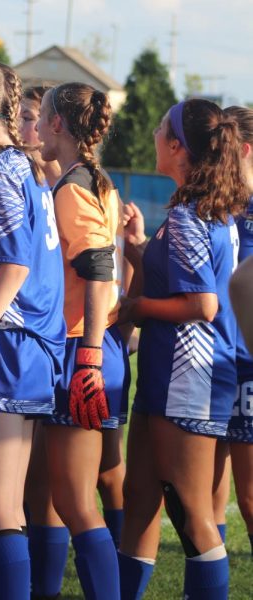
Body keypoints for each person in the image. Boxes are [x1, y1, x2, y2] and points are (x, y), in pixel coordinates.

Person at [118, 98, 246, 600]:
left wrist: (135, 310)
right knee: (140, 496)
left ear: (177, 146)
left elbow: (202, 304)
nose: (152, 132)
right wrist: (137, 248)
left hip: (189, 375)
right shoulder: (195, 210)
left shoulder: (195, 216)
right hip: (169, 373)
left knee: (191, 512)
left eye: (159, 126)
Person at [0, 61, 66, 600]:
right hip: (27, 344)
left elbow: (16, 267)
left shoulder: (5, 169)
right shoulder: (25, 168)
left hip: (10, 340)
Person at [34, 82, 126, 599]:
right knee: (56, 496)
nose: (38, 126)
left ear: (57, 125)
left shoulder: (73, 187)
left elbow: (98, 269)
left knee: (75, 502)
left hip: (81, 348)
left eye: (42, 115)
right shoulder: (92, 178)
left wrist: (87, 357)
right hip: (91, 344)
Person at [224, 105, 253, 556]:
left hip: (248, 365)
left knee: (248, 498)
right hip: (219, 361)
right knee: (207, 498)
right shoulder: (222, 203)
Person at [18, 85, 60, 185]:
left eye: (26, 118)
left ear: (55, 124)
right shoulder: (20, 180)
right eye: (14, 118)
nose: (16, 126)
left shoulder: (76, 184)